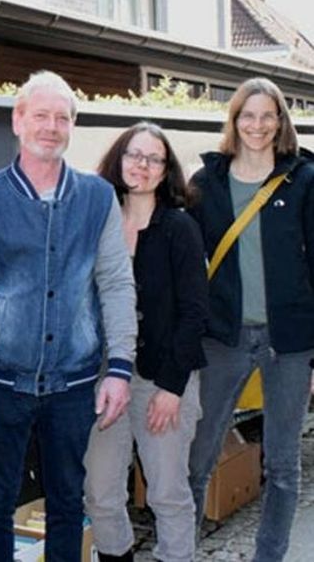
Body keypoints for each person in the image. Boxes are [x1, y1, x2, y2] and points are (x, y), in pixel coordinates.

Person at [0, 70, 137, 562]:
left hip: (74, 381)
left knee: (68, 500)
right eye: (41, 115)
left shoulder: (97, 197)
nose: (51, 127)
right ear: (18, 121)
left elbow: (116, 283)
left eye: (62, 118)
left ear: (72, 126)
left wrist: (120, 369)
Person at [187, 77, 314, 562]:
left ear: (280, 121)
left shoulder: (304, 180)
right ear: (234, 120)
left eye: (267, 116)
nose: (257, 125)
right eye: (248, 115)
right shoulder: (207, 183)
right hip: (224, 336)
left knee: (282, 465)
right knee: (197, 458)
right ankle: (181, 549)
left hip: (290, 341)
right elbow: (181, 255)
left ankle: (269, 556)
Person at [84, 123, 208, 562]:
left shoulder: (179, 227)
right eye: (135, 155)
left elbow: (195, 313)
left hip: (164, 377)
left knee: (168, 494)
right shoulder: (97, 222)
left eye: (154, 159)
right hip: (104, 376)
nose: (143, 165)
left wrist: (172, 388)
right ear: (118, 159)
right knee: (99, 492)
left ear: (165, 170)